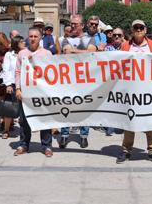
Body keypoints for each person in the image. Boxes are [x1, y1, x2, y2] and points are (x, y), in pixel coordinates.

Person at [116, 19, 152, 164]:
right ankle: (126, 150)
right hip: (130, 89)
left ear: (145, 29)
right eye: (135, 27)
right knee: (129, 120)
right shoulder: (125, 46)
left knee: (150, 120)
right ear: (131, 30)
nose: (138, 30)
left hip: (149, 88)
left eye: (141, 27)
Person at [13, 27, 54, 157]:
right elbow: (18, 72)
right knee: (24, 120)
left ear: (40, 38)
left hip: (41, 92)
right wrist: (18, 89)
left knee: (45, 119)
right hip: (26, 92)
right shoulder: (22, 53)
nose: (33, 39)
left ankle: (46, 146)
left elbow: (52, 73)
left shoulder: (47, 54)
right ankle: (24, 145)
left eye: (35, 36)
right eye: (30, 36)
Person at [59, 14, 96, 148]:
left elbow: (91, 53)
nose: (73, 25)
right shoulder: (65, 39)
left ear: (82, 25)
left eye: (75, 23)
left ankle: (84, 136)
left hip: (85, 80)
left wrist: (74, 51)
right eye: (71, 23)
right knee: (66, 106)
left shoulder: (90, 38)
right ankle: (64, 135)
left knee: (84, 108)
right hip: (69, 80)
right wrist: (83, 52)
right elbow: (66, 52)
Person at [0, 34, 23, 139]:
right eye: (21, 42)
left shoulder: (27, 54)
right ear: (16, 43)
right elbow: (6, 70)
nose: (24, 43)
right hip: (13, 83)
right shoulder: (9, 55)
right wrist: (8, 84)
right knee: (10, 107)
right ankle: (6, 129)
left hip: (25, 84)